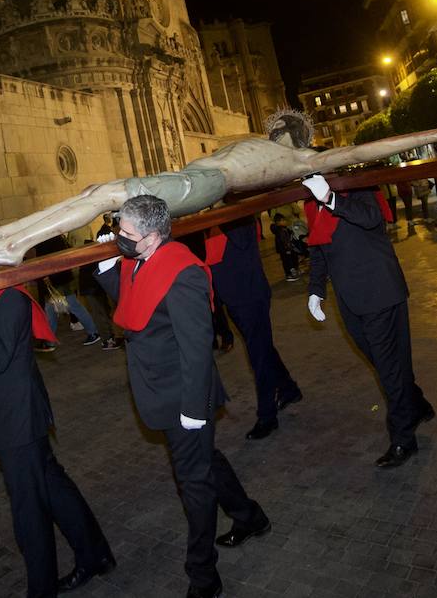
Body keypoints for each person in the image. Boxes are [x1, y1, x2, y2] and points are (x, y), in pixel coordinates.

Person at [0, 111, 437, 265]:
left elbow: (365, 152)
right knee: (99, 191)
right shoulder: (264, 142)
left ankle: (14, 243)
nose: (277, 127)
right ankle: (10, 239)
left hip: (205, 182)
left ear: (298, 134)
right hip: (194, 177)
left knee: (107, 195)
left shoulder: (303, 157)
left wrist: (436, 131)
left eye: (285, 124)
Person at [96, 195, 269, 598]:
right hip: (160, 388)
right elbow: (135, 305)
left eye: (126, 234)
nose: (118, 239)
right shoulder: (142, 259)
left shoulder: (184, 272)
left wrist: (194, 408)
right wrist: (107, 272)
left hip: (182, 396)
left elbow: (197, 347)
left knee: (193, 482)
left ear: (153, 237)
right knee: (205, 461)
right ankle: (249, 517)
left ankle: (203, 576)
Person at [0, 213, 113, 598]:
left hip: (17, 418)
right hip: (1, 413)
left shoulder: (9, 297)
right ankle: (95, 553)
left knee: (28, 511)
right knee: (53, 490)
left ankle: (42, 588)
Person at [299, 169, 434, 469]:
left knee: (388, 368)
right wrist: (316, 289)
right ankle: (418, 403)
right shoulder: (311, 202)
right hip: (349, 299)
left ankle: (403, 438)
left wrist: (330, 197)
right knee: (384, 361)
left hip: (380, 290)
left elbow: (371, 218)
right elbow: (318, 248)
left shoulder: (356, 187)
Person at [204, 215, 302, 440]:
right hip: (234, 298)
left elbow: (241, 240)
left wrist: (220, 208)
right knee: (262, 348)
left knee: (258, 355)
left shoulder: (239, 216)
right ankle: (289, 389)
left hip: (250, 295)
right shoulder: (212, 219)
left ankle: (267, 416)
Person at [270, 213, 301, 280]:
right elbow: (284, 241)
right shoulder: (280, 231)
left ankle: (293, 271)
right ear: (278, 222)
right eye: (283, 221)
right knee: (287, 262)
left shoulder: (283, 229)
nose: (285, 222)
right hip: (285, 250)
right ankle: (289, 274)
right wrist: (287, 249)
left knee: (291, 260)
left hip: (287, 249)